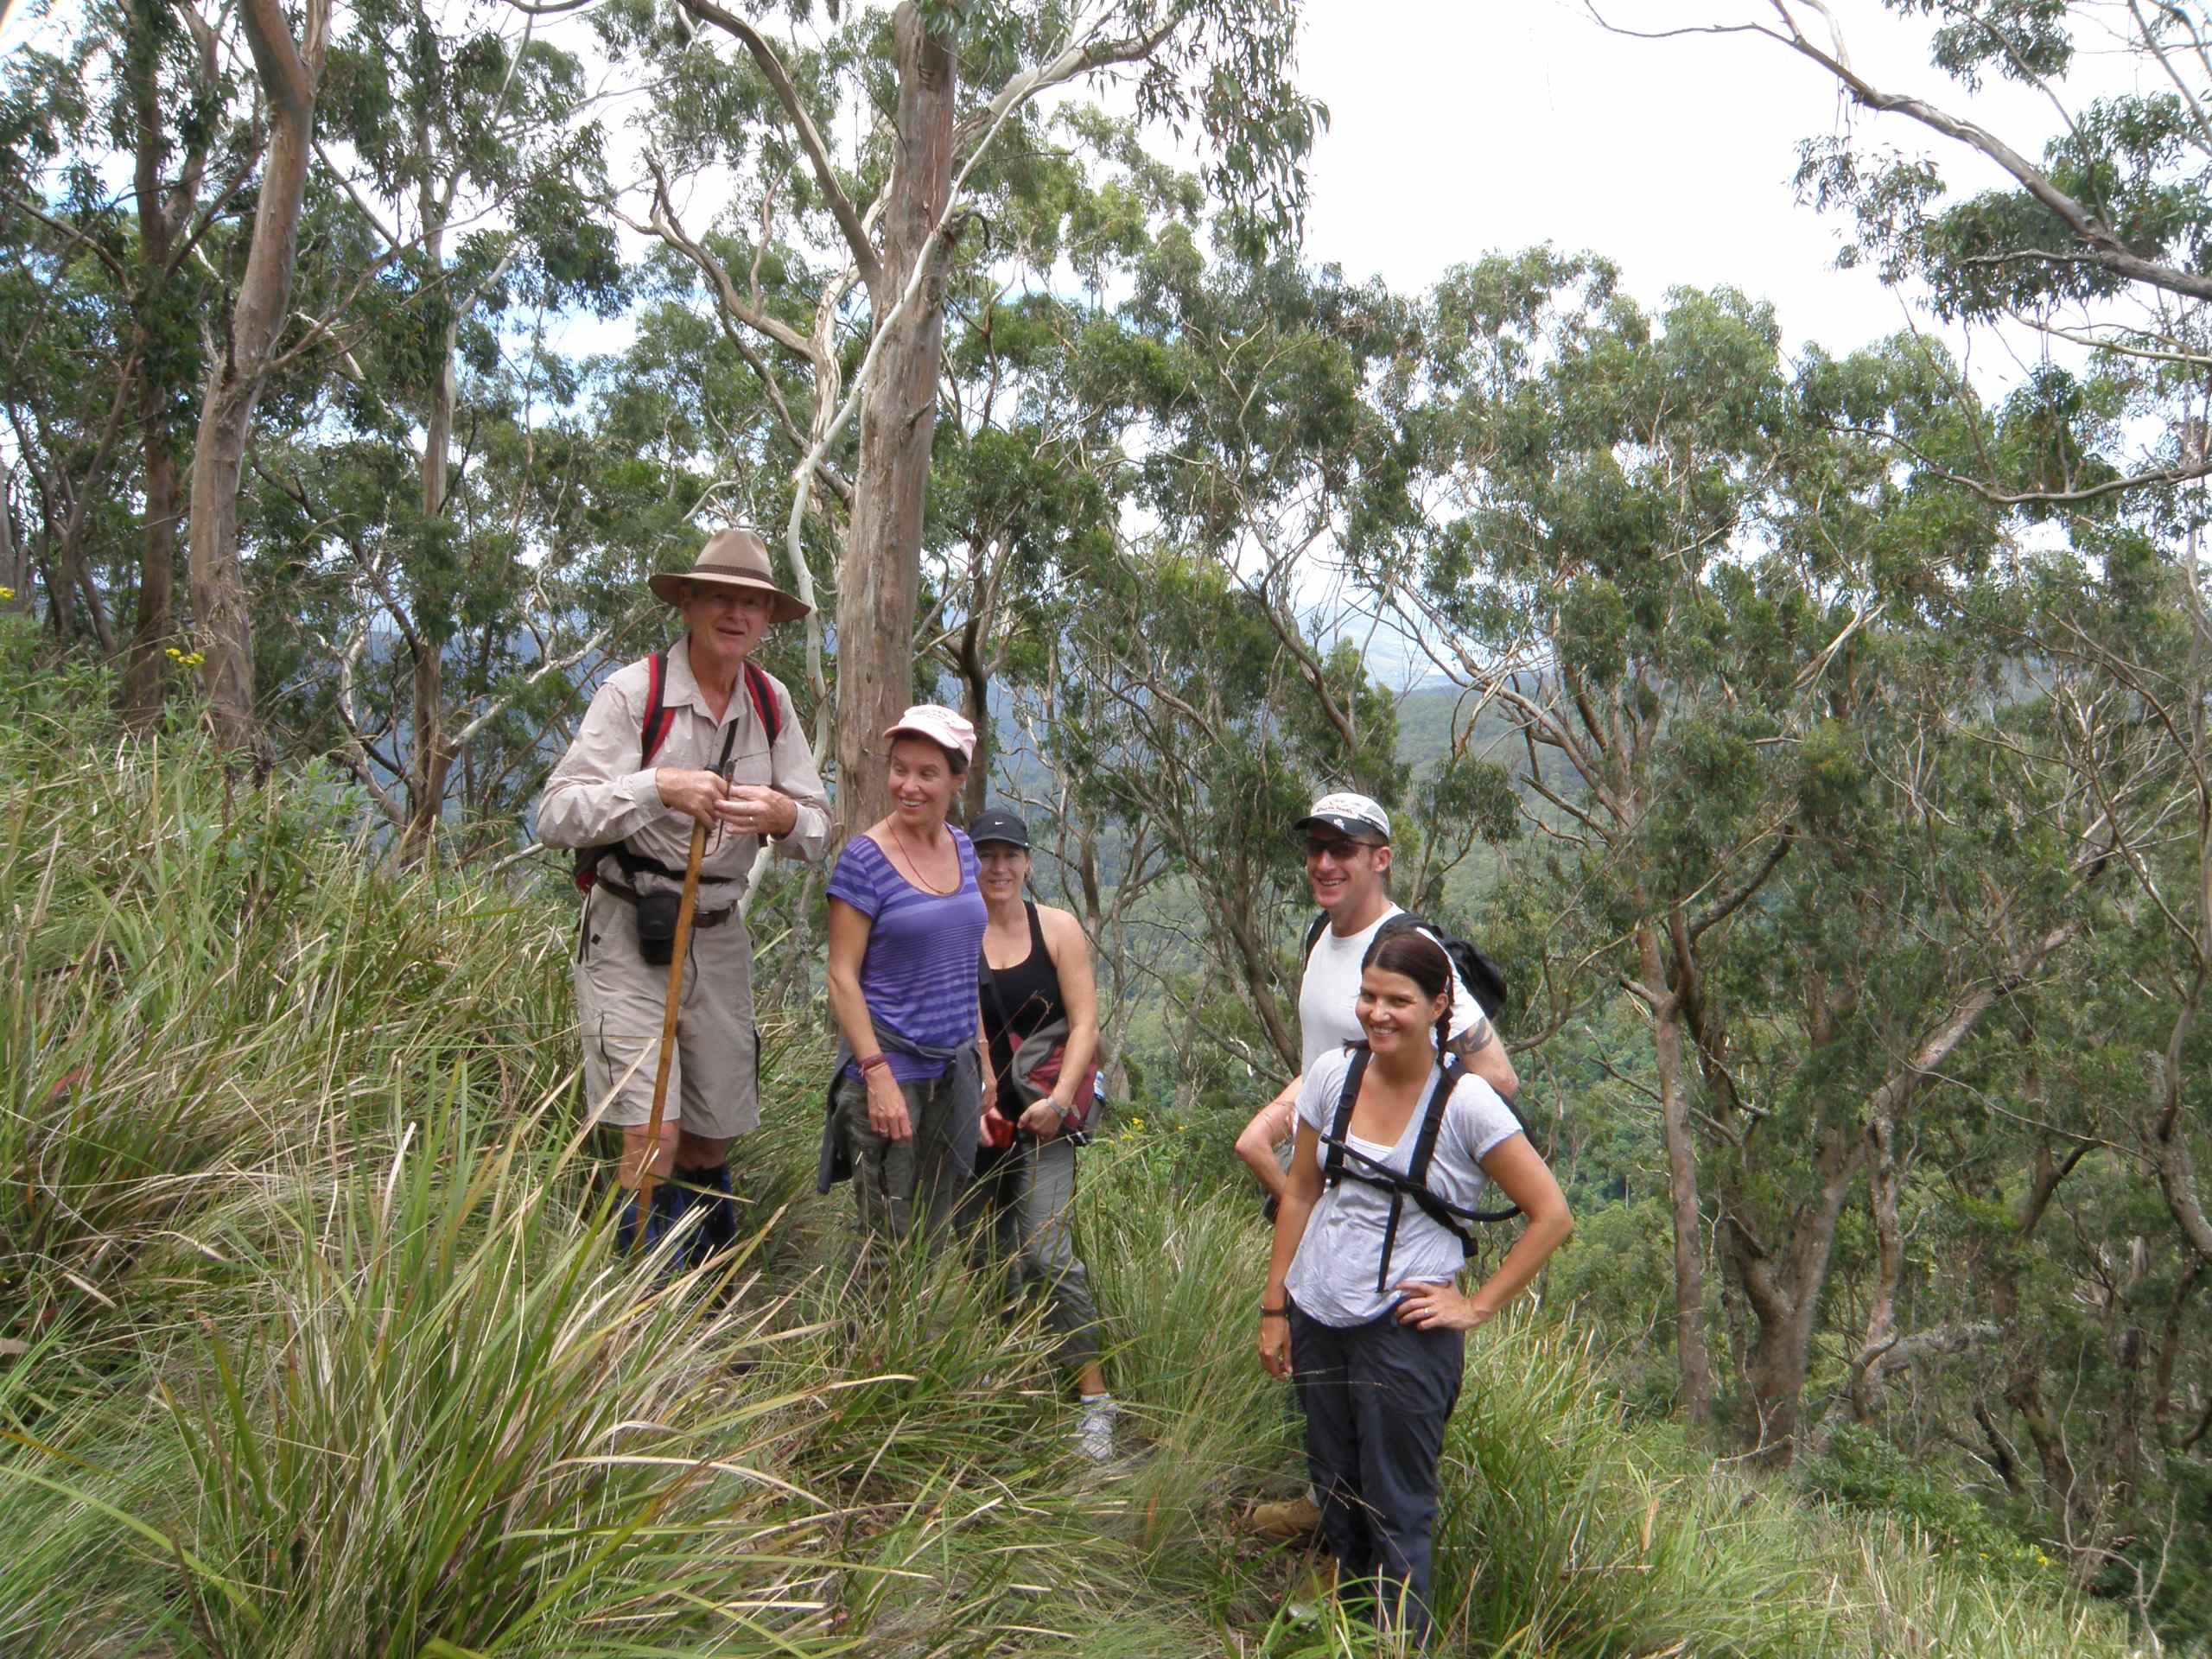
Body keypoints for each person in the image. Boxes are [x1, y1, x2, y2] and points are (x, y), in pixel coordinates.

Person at [1259, 929, 1573, 1649]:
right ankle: (1349, 1632)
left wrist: (1476, 1305)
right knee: (1336, 1491)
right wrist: (1275, 1306)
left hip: (1405, 1330)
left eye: (1398, 1000)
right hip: (1318, 1309)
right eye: (1368, 996)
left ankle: (1400, 1644)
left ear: (1440, 1007)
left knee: (1399, 1507)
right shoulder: (1334, 1077)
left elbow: (1551, 1215)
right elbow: (1303, 1189)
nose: (1378, 1013)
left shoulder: (1469, 1106)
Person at [538, 528, 831, 1259]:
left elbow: (819, 826)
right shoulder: (634, 695)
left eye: (753, 604)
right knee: (651, 1134)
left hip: (719, 935)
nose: (736, 615)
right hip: (632, 929)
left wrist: (784, 815)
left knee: (709, 1133)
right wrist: (656, 788)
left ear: (768, 620)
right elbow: (556, 813)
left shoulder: (771, 702)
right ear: (690, 604)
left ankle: (708, 1298)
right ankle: (636, 1317)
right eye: (721, 598)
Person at [1237, 791, 1519, 1539]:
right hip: (1324, 1190)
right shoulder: (1321, 937)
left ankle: (1368, 1562)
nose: (1325, 864)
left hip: (1385, 1214)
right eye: (1315, 849)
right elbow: (1333, 1062)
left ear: (1380, 859)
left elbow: (1495, 1077)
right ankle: (1325, 1509)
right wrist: (1276, 1122)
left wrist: (1384, 1151)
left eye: (1345, 850)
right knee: (1316, 1364)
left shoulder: (1404, 948)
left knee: (1381, 1387)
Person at [963, 808, 1118, 1464]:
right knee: (984, 1260)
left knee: (1047, 1254)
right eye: (986, 855)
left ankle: (1094, 1403)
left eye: (1010, 856)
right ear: (969, 860)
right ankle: (1005, 1391)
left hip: (1045, 1120)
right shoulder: (955, 929)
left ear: (1028, 863)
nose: (999, 868)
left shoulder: (1055, 928)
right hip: (974, 1119)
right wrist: (978, 1094)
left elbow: (1086, 1024)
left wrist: (1059, 1101)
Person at [823, 706, 993, 1257]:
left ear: (957, 779)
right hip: (891, 1068)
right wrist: (876, 1075)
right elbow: (842, 977)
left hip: (954, 1070)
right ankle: (858, 1343)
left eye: (927, 773)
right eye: (900, 769)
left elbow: (966, 964)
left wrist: (984, 1063)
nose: (909, 786)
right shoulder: (864, 860)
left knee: (933, 1228)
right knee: (884, 1237)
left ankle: (914, 1341)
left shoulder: (964, 849)